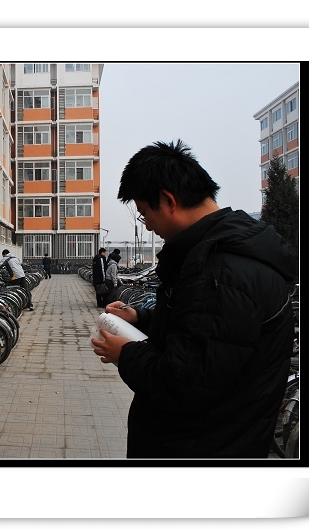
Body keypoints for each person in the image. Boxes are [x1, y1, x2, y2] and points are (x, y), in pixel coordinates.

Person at [91, 140, 296, 458]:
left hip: (200, 449)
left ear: (168, 200)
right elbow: (202, 331)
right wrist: (141, 318)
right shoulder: (219, 254)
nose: (149, 226)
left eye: (145, 214)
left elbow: (182, 385)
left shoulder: (221, 271)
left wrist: (126, 354)